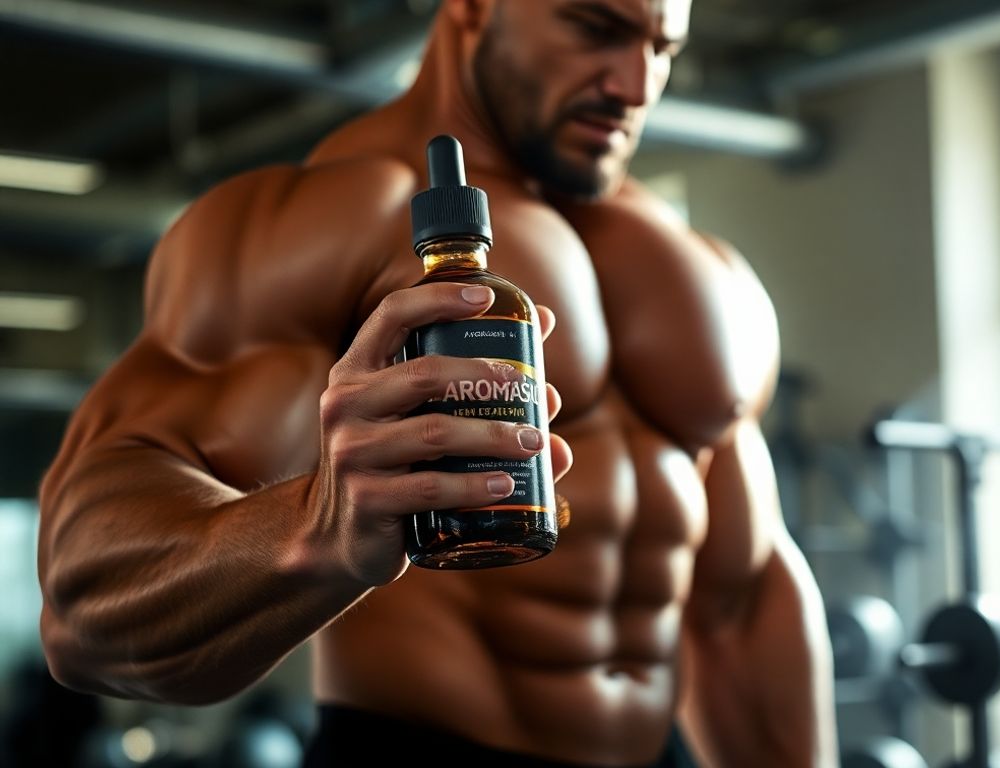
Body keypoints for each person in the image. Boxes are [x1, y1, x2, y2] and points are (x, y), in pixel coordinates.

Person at [37, 0, 837, 765]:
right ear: (473, 4)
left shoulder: (702, 270)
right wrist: (318, 530)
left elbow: (743, 596)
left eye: (662, 48)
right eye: (594, 26)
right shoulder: (326, 220)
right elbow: (84, 610)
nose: (633, 85)